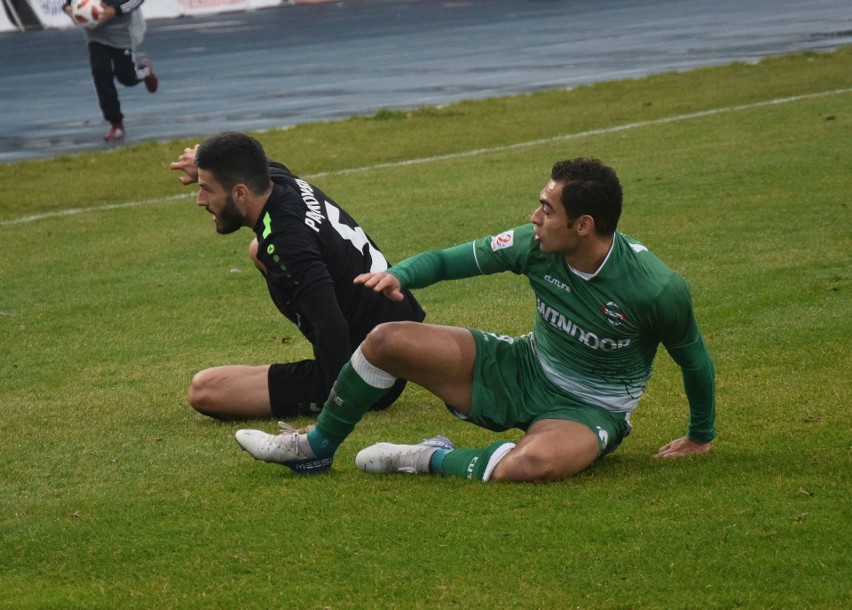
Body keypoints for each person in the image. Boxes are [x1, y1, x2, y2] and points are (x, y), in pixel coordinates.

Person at [234, 158, 716, 482]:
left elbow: (693, 360)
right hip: (521, 366)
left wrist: (700, 436)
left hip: (589, 409)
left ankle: (421, 456)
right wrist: (399, 274)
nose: (534, 216)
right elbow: (449, 261)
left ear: (583, 225)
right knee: (385, 340)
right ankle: (316, 447)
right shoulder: (536, 245)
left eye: (547, 210)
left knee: (532, 465)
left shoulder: (656, 289)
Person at [169, 132, 425, 421]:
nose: (200, 200)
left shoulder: (285, 243)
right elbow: (248, 159)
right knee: (258, 250)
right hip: (398, 338)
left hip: (371, 370)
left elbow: (331, 324)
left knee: (205, 390)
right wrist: (204, 160)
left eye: (207, 189)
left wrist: (341, 405)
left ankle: (342, 387)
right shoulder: (277, 181)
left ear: (240, 192)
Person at [63, 0, 158, 142]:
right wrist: (68, 8)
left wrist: (115, 11)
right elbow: (66, 3)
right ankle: (116, 124)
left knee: (127, 77)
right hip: (95, 32)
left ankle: (145, 71)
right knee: (101, 73)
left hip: (122, 30)